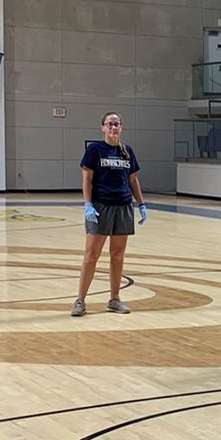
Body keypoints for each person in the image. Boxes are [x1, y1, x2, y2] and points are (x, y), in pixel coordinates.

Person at [72, 112, 146, 317]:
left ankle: (114, 299)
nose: (113, 128)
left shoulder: (127, 151)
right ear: (102, 127)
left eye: (117, 124)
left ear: (121, 127)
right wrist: (88, 205)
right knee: (91, 255)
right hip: (100, 206)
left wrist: (141, 204)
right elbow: (86, 179)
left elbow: (133, 180)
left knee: (117, 255)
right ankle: (80, 300)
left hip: (123, 207)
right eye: (110, 124)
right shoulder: (94, 150)